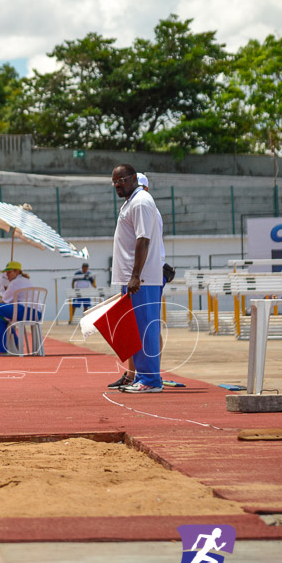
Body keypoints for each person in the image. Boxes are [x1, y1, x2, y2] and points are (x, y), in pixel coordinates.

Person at [108, 164, 165, 393]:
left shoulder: (141, 202)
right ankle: (142, 377)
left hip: (143, 280)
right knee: (135, 329)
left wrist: (135, 276)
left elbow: (143, 239)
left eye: (121, 179)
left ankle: (151, 380)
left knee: (145, 328)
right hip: (134, 278)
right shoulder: (131, 202)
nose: (117, 184)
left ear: (133, 179)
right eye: (114, 181)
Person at [0, 261, 41, 355]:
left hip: (25, 311)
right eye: (6, 272)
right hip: (37, 313)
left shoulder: (15, 283)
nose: (7, 275)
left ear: (17, 272)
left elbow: (4, 300)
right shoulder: (26, 281)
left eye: (9, 272)